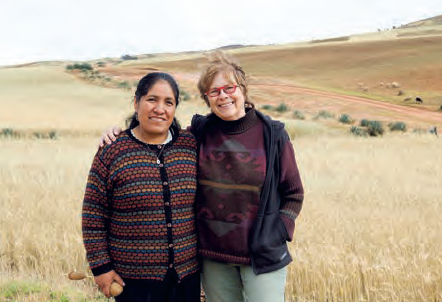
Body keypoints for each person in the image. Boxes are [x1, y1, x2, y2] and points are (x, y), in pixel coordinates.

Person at [100, 51, 304, 302]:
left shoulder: (272, 135)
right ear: (207, 99)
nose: (223, 96)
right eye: (214, 91)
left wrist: (279, 231)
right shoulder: (200, 132)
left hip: (261, 255)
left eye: (229, 88)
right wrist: (122, 134)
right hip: (213, 256)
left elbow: (294, 193)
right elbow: (158, 132)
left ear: (242, 89)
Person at [83, 72, 201, 302]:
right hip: (132, 282)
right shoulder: (113, 150)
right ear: (136, 102)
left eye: (169, 102)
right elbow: (93, 214)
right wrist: (101, 268)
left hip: (187, 277)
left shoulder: (190, 145)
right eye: (152, 99)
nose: (160, 108)